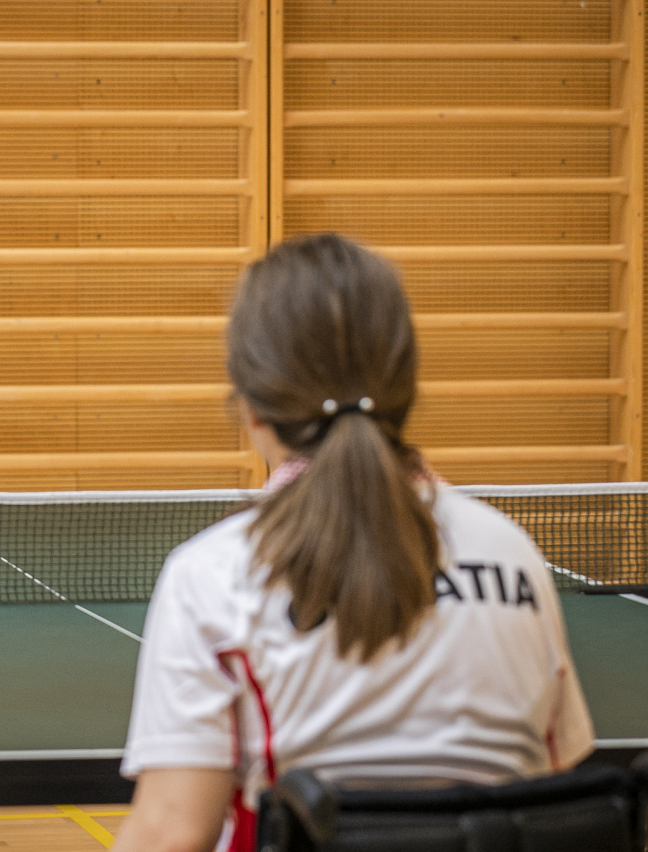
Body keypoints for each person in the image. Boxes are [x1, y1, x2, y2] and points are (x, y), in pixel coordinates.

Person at [113, 234, 594, 852]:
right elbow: (554, 791)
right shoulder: (513, 555)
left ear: (251, 406)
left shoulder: (214, 576)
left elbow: (173, 833)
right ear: (406, 388)